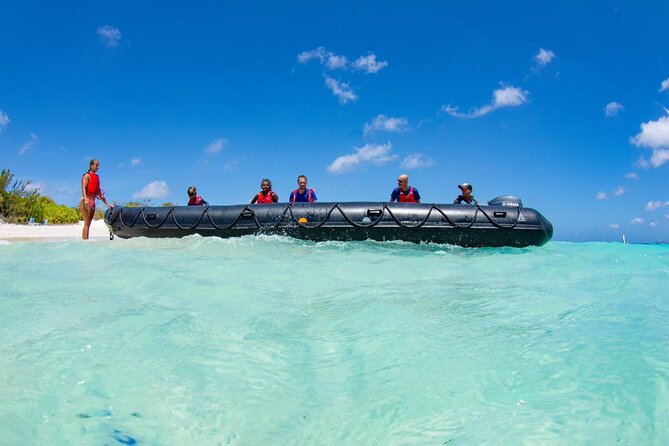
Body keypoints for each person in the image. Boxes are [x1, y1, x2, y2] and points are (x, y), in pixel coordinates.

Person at [80, 159, 113, 240]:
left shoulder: (97, 177)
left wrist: (107, 204)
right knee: (86, 224)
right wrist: (85, 199)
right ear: (91, 165)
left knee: (89, 224)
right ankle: (85, 243)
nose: (97, 167)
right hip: (86, 200)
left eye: (98, 165)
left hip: (93, 202)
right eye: (96, 165)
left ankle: (86, 241)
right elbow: (83, 188)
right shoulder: (86, 176)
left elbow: (99, 193)